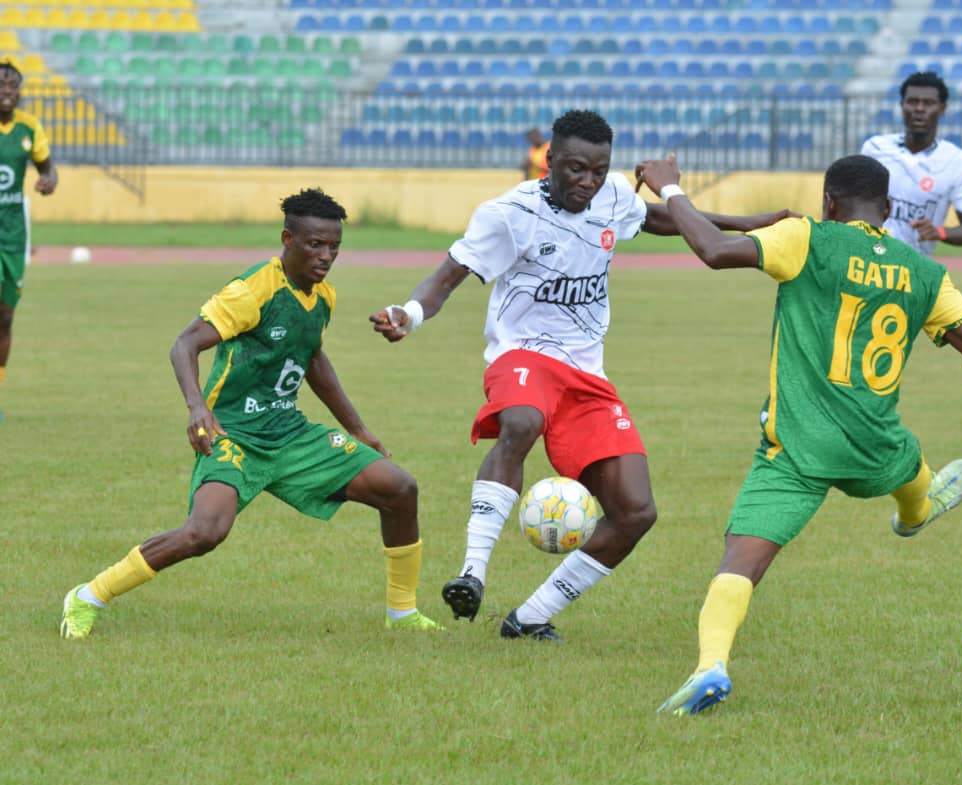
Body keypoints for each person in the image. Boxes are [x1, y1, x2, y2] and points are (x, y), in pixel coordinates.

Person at [370, 109, 793, 642]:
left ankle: (528, 619)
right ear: (550, 161)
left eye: (598, 170)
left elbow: (655, 219)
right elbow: (447, 276)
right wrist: (408, 315)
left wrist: (747, 223)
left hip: (586, 374)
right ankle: (472, 572)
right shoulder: (508, 214)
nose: (587, 183)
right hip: (523, 356)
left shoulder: (614, 196)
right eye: (575, 170)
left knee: (635, 512)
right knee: (520, 423)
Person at [632, 153, 962, 714]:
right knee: (908, 462)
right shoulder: (925, 272)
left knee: (740, 561)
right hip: (875, 445)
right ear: (888, 212)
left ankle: (710, 667)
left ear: (828, 203)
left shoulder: (807, 238)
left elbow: (714, 252)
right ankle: (917, 510)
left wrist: (672, 188)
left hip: (796, 447)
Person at [60, 188, 442, 639]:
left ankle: (402, 614)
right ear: (288, 239)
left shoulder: (323, 297)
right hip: (233, 434)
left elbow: (311, 357)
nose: (326, 256)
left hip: (290, 433)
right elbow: (185, 344)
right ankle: (87, 596)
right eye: (315, 245)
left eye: (334, 247)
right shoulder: (252, 290)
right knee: (204, 533)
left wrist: (359, 430)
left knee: (400, 489)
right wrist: (197, 408)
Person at [861, 71, 962, 255]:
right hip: (869, 259)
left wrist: (939, 232)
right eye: (912, 101)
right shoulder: (875, 149)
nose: (919, 108)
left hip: (914, 269)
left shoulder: (958, 162)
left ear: (942, 109)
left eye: (929, 103)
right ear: (902, 105)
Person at [0, 56, 58, 419]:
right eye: (2, 86)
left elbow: (48, 169)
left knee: (4, 316)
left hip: (12, 237)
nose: (8, 92)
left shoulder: (29, 128)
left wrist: (49, 181)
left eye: (13, 86)